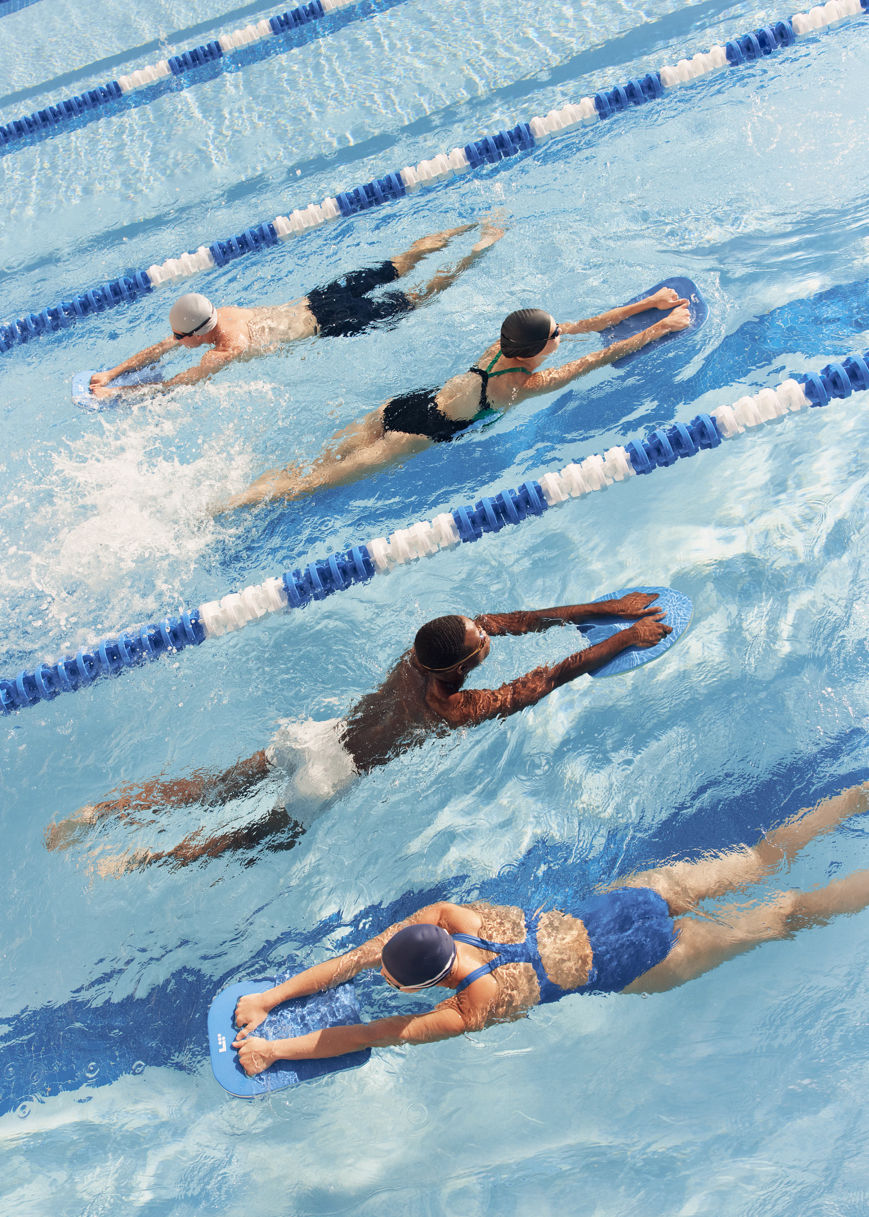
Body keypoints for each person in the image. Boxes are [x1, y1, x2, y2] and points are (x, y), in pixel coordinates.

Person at [231, 780, 869, 1075]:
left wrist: (273, 1046)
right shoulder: (447, 918)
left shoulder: (472, 1005)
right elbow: (360, 960)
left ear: (415, 983)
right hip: (633, 904)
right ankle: (855, 798)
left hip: (648, 961)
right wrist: (267, 997)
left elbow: (370, 1032)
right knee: (762, 860)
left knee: (789, 913)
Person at [44, 592, 670, 867]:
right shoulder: (448, 708)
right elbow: (550, 677)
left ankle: (104, 812)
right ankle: (141, 862)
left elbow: (516, 622)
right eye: (481, 646)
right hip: (329, 778)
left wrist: (600, 606)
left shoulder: (420, 650)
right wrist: (623, 636)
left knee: (212, 788)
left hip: (314, 736)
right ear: (460, 666)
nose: (489, 641)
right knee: (249, 840)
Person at [224, 286, 690, 510]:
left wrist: (648, 304)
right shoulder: (524, 385)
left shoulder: (502, 345)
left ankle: (242, 488)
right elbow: (601, 355)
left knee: (315, 462)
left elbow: (588, 324)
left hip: (399, 405)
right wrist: (661, 328)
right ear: (539, 349)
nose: (561, 335)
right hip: (413, 435)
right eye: (554, 335)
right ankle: (226, 505)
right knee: (313, 481)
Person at [87, 222, 502, 399]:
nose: (176, 342)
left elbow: (177, 384)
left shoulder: (227, 346)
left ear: (198, 332)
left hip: (334, 319)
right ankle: (466, 229)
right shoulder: (223, 313)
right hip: (317, 299)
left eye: (181, 337)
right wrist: (108, 372)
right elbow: (161, 349)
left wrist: (118, 392)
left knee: (421, 295)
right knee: (398, 265)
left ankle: (478, 252)